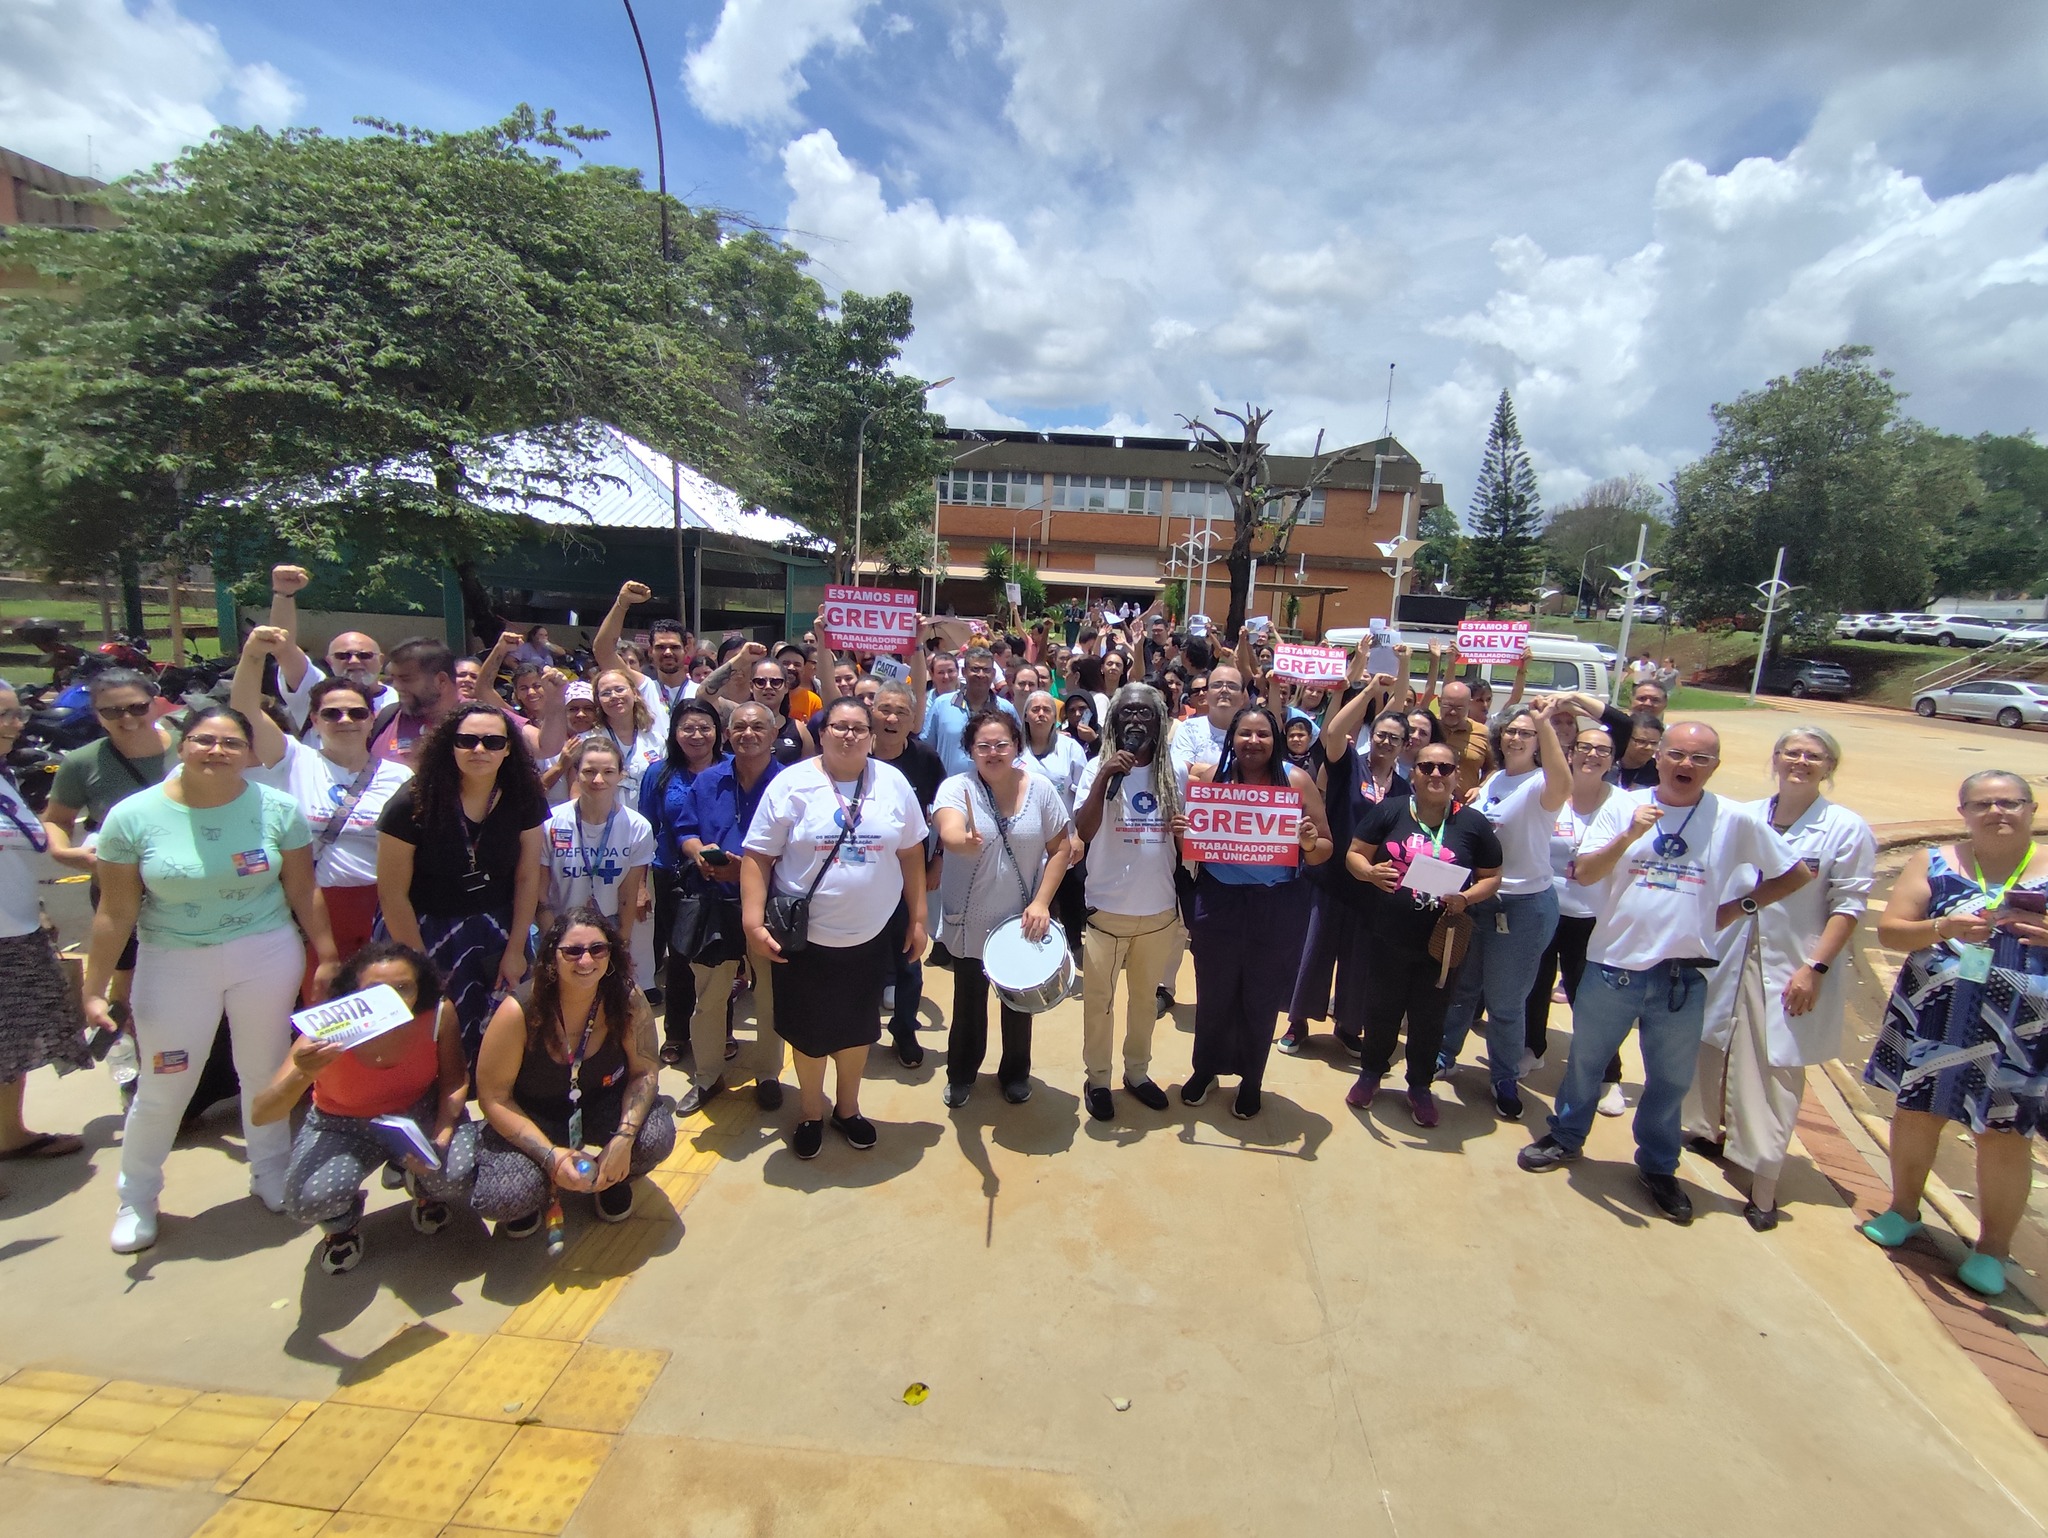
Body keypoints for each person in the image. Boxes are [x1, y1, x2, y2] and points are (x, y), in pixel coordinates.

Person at [1517, 722, 1810, 1225]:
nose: (1686, 766)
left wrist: (1736, 907)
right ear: (1658, 758)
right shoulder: (1623, 805)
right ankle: (1566, 1137)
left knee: (1669, 1081)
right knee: (1586, 1064)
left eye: (1700, 758)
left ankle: (1657, 1166)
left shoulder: (1733, 818)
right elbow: (1584, 872)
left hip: (1682, 976)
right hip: (1614, 966)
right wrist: (1631, 833)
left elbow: (1796, 872)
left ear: (1715, 765)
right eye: (1677, 754)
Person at [82, 704, 340, 1254]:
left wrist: (327, 954)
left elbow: (302, 888)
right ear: (181, 745)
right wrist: (95, 987)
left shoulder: (276, 808)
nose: (217, 752)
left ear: (249, 752)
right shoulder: (133, 816)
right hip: (173, 961)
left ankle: (270, 1172)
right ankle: (138, 1196)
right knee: (166, 1081)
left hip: (266, 954)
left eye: (230, 743)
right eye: (204, 740)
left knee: (264, 1071)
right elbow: (114, 912)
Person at [1860, 771, 2046, 1296]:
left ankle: (1993, 1248)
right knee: (1917, 1114)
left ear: (2032, 809)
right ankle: (1903, 1209)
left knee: (2006, 1135)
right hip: (1938, 1016)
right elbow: (1893, 931)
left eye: (2010, 803)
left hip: (2022, 1029)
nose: (1997, 812)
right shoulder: (1936, 863)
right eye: (1983, 804)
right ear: (1963, 811)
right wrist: (1943, 927)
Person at [1682, 728, 1875, 1230]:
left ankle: (1763, 1184)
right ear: (1775, 759)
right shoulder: (1743, 815)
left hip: (1792, 964)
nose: (1801, 762)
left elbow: (1849, 905)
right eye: (1792, 752)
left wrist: (1816, 968)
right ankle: (1709, 1132)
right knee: (1711, 1045)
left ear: (1829, 768)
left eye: (1814, 756)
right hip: (1728, 954)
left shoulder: (1845, 829)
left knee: (1775, 1068)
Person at [741, 697, 929, 1159]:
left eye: (858, 729)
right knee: (809, 1033)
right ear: (820, 733)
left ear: (871, 735)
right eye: (839, 727)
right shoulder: (793, 784)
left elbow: (910, 854)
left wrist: (919, 916)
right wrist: (751, 920)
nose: (849, 736)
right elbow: (757, 856)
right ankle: (810, 1111)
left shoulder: (893, 782)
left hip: (868, 935)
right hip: (804, 939)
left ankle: (847, 1109)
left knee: (858, 1030)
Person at [254, 942, 471, 1274]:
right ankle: (342, 1226)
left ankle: (424, 1190)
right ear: (353, 994)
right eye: (376, 990)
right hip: (341, 1123)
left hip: (415, 1114)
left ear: (420, 988)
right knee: (307, 1200)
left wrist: (440, 1140)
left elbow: (454, 1082)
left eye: (403, 987)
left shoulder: (438, 1014)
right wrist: (303, 1071)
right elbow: (262, 1113)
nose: (392, 998)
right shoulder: (324, 1034)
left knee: (453, 1173)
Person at [469, 908, 675, 1234]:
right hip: (533, 1113)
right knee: (505, 1196)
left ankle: (609, 1177)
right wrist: (552, 1158)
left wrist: (623, 1140)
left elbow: (645, 1072)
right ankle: (537, 1189)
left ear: (611, 954)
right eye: (572, 951)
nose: (586, 961)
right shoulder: (518, 1010)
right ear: (553, 957)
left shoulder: (627, 999)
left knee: (654, 1137)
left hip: (598, 1106)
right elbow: (494, 1098)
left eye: (597, 949)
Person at [234, 626, 414, 981]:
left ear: (371, 719)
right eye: (332, 714)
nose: (345, 721)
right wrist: (254, 654)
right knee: (319, 1008)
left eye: (357, 714)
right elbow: (244, 710)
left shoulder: (400, 778)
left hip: (383, 906)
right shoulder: (294, 759)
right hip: (312, 908)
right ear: (314, 720)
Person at [1181, 707, 1333, 1118]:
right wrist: (1184, 832)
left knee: (1262, 997)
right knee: (1213, 993)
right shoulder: (1212, 779)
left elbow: (1325, 850)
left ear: (1275, 738)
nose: (1253, 742)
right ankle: (1205, 1070)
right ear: (1232, 737)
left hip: (1276, 904)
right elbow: (1188, 844)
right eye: (1244, 733)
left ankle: (1252, 1080)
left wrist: (1306, 842)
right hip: (1218, 902)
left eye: (1262, 734)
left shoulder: (1296, 780)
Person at [375, 704, 549, 1061]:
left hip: (497, 929)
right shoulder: (412, 803)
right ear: (449, 745)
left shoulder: (523, 797)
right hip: (423, 931)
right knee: (430, 1030)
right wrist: (417, 967)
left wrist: (516, 949)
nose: (479, 750)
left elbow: (528, 875)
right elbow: (392, 895)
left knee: (501, 1031)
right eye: (467, 741)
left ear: (508, 748)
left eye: (492, 741)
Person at [1342, 740, 1503, 1127]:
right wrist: (1368, 872)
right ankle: (1371, 1074)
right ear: (1412, 773)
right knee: (1381, 1010)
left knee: (1429, 1018)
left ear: (1456, 777)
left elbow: (1493, 878)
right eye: (1427, 767)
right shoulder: (1391, 811)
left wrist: (1465, 898)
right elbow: (1354, 853)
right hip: (1388, 934)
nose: (1435, 774)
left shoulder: (1473, 823)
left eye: (1444, 769)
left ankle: (1419, 1086)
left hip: (1441, 942)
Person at [1435, 699, 1572, 1119]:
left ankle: (1504, 1076)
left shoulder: (1542, 784)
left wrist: (1545, 723)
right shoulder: (1495, 780)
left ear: (1538, 742)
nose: (1515, 737)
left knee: (1506, 1000)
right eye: (1511, 730)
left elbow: (1562, 780)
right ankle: (1446, 1054)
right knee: (1463, 987)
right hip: (1478, 900)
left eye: (1525, 732)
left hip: (1524, 906)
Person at [932, 708, 1073, 1107]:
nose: (993, 753)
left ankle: (1015, 1074)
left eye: (1001, 745)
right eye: (983, 746)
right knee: (968, 1004)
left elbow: (1061, 847)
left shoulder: (1041, 789)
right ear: (970, 750)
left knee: (1018, 1003)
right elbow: (949, 830)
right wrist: (962, 841)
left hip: (1020, 918)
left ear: (1016, 746)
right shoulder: (957, 788)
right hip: (969, 919)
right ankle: (961, 1074)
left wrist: (1043, 902)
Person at [1073, 683, 1182, 1122]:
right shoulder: (1095, 768)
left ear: (1159, 723)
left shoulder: (1175, 773)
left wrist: (1184, 829)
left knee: (1143, 1005)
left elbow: (1188, 841)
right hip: (1106, 911)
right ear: (1114, 721)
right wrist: (1105, 775)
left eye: (1146, 714)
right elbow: (1083, 829)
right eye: (1127, 713)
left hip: (1158, 912)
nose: (1136, 720)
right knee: (1099, 1005)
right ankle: (1098, 1079)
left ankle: (1137, 1073)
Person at [42, 667, 175, 1026]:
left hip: (187, 886)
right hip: (119, 888)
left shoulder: (191, 748)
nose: (127, 719)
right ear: (98, 716)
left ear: (155, 704)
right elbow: (57, 819)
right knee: (126, 980)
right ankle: (131, 1056)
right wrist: (62, 852)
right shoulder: (82, 762)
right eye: (112, 712)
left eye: (137, 707)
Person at [672, 701, 784, 1113]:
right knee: (709, 997)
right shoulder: (707, 782)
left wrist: (749, 871)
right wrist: (699, 852)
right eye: (739, 727)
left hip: (769, 908)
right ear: (727, 734)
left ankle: (768, 1074)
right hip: (714, 903)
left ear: (774, 734)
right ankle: (707, 1076)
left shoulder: (792, 784)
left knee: (770, 996)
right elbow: (684, 830)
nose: (748, 734)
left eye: (758, 726)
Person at [0, 681, 90, 1163]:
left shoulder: (6, 778)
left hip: (17, 928)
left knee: (13, 1036)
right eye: (5, 716)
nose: (17, 724)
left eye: (16, 714)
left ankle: (9, 1135)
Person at [1522, 718, 1628, 1117]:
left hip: (1594, 917)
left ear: (1612, 760)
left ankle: (1607, 1075)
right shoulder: (1550, 794)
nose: (1592, 754)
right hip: (1546, 906)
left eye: (1603, 750)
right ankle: (1532, 1049)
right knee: (1535, 984)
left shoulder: (1624, 805)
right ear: (1570, 752)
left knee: (1594, 1000)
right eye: (1585, 746)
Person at [639, 699, 725, 1060]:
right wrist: (641, 883)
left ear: (717, 732)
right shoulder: (658, 773)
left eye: (705, 727)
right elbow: (645, 830)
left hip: (723, 876)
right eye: (688, 728)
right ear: (674, 732)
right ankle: (676, 1031)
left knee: (721, 960)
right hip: (672, 876)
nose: (697, 735)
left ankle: (719, 1032)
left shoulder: (730, 769)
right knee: (678, 958)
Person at [869, 679, 947, 1064]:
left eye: (901, 711)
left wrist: (938, 861)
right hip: (860, 880)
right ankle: (857, 1031)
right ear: (872, 712)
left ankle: (904, 1029)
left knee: (910, 960)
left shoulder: (926, 759)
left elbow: (947, 812)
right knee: (859, 962)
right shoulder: (852, 754)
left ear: (913, 718)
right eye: (885, 709)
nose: (892, 717)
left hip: (909, 879)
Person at [541, 736, 654, 957]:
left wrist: (622, 944)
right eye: (589, 771)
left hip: (608, 928)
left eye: (608, 772)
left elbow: (628, 896)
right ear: (576, 773)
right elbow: (541, 895)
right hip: (558, 926)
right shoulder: (550, 822)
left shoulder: (638, 827)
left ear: (621, 775)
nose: (598, 780)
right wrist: (553, 944)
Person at [263, 564, 399, 729]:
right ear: (329, 661)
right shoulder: (314, 693)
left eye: (364, 655)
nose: (354, 661)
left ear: (381, 660)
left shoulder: (403, 699)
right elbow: (283, 646)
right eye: (343, 656)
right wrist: (283, 594)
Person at [922, 646, 1022, 779]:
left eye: (986, 670)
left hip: (995, 791)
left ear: (993, 674)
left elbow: (1018, 752)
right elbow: (927, 749)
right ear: (963, 672)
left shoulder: (1006, 709)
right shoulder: (942, 705)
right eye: (975, 669)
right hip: (949, 790)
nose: (981, 675)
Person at [371, 638, 464, 765]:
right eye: (393, 678)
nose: (396, 686)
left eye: (406, 679)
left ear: (441, 680)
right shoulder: (383, 719)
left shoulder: (485, 723)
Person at [593, 668, 667, 811]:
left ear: (635, 693)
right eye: (605, 693)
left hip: (648, 825)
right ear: (598, 701)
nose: (614, 696)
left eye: (620, 689)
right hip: (604, 824)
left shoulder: (656, 741)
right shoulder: (589, 741)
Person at [748, 657, 815, 765]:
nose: (768, 687)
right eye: (760, 682)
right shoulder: (739, 727)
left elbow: (809, 772)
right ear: (751, 686)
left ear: (786, 687)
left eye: (776, 682)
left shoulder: (800, 730)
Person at [1434, 680, 1492, 798]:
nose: (1453, 712)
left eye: (1459, 707)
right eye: (1448, 706)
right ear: (1439, 702)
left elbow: (1494, 768)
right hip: (1426, 804)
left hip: (1465, 807)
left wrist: (1481, 788)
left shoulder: (1483, 733)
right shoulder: (1428, 727)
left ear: (1469, 704)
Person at [1609, 714, 1662, 789]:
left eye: (1654, 743)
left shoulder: (1660, 773)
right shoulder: (1605, 766)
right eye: (1641, 741)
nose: (1649, 747)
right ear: (1626, 739)